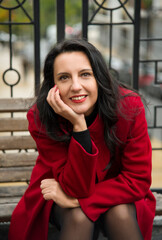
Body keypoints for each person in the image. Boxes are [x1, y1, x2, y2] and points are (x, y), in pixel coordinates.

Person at [9, 39, 156, 240]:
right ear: (53, 86)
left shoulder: (129, 107)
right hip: (59, 192)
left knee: (119, 213)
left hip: (120, 192)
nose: (76, 86)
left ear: (99, 78)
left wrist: (81, 201)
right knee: (79, 216)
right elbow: (74, 187)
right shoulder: (41, 116)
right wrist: (79, 125)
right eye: (64, 78)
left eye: (85, 74)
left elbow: (137, 179)